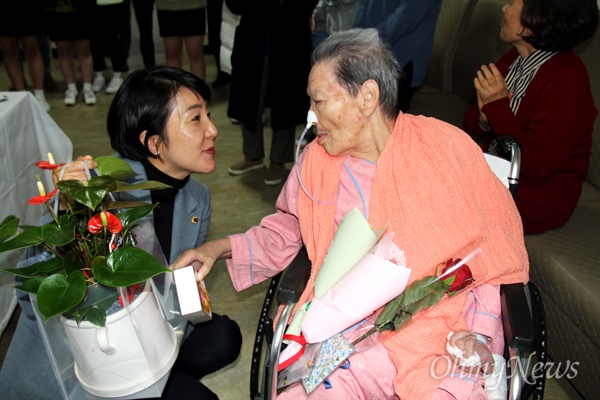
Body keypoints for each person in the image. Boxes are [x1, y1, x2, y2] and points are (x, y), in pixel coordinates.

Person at [172, 28, 529, 399]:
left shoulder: (445, 148)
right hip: (349, 336)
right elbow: (284, 232)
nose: (310, 115)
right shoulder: (316, 164)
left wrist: (479, 331)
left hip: (443, 332)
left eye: (319, 101)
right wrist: (218, 248)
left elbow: (493, 251)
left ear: (367, 97)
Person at [0, 66, 242, 400]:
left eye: (208, 115)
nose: (213, 130)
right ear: (154, 143)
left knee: (223, 337)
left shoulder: (195, 197)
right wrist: (68, 212)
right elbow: (32, 300)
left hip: (144, 325)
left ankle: (161, 377)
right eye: (196, 119)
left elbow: (172, 287)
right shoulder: (96, 189)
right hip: (87, 354)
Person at [463, 0, 599, 235]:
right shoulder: (514, 60)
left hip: (537, 197)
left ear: (539, 18)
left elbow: (537, 164)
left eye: (513, 2)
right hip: (498, 172)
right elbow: (471, 121)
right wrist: (485, 118)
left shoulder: (567, 80)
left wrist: (497, 107)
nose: (504, 9)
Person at [225, 0, 318, 186]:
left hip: (289, 35)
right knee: (250, 98)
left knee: (285, 100)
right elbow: (234, 4)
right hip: (254, 34)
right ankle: (252, 156)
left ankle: (279, 160)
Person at [353, 0, 443, 112]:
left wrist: (370, 40)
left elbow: (408, 14)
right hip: (368, 50)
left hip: (400, 58)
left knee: (387, 119)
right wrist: (355, 37)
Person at [43, 0, 97, 106]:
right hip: (56, 10)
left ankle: (87, 88)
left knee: (84, 50)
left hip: (81, 8)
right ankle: (71, 89)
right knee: (63, 51)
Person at [0, 0, 50, 111]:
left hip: (27, 5)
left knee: (31, 48)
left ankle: (39, 95)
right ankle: (21, 95)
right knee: (8, 49)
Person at [155, 0, 208, 80]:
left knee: (195, 53)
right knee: (172, 53)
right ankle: (176, 90)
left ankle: (198, 90)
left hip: (194, 5)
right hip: (166, 6)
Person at [90, 0, 130, 94]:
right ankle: (99, 74)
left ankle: (118, 74)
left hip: (115, 3)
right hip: (94, 5)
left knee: (114, 39)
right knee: (95, 39)